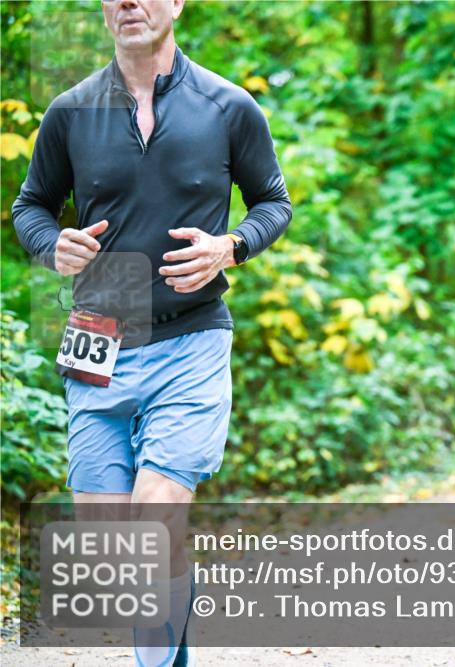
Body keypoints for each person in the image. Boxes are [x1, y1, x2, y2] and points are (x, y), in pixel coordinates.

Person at [11, 1, 292, 664]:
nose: (129, 2)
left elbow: (273, 202)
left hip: (192, 337)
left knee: (154, 517)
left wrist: (231, 246)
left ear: (177, 3)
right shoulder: (69, 112)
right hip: (100, 333)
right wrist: (53, 244)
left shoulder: (228, 107)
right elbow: (31, 207)